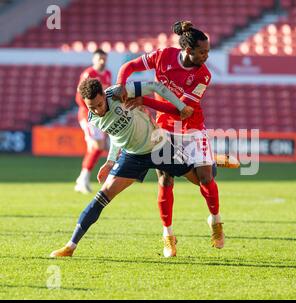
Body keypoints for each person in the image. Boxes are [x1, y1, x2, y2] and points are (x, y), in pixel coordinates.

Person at [50, 78, 196, 258]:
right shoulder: (93, 119)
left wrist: (180, 107)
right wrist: (110, 161)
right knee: (101, 197)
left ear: (104, 95)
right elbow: (117, 136)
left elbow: (155, 86)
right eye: (92, 107)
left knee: (199, 179)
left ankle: (209, 165)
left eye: (99, 104)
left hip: (159, 146)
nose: (98, 110)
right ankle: (70, 247)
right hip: (133, 156)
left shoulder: (118, 93)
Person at [114, 21, 224, 255]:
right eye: (202, 52)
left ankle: (215, 221)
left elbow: (180, 109)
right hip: (164, 129)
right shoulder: (163, 55)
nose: (206, 56)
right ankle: (168, 235)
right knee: (165, 181)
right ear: (188, 50)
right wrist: (121, 85)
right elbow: (130, 66)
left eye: (208, 51)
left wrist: (144, 100)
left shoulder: (203, 76)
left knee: (205, 178)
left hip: (191, 127)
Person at [74, 49, 112, 194]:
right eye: (99, 58)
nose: (102, 61)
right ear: (93, 59)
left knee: (98, 147)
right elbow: (79, 98)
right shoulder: (88, 74)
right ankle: (83, 179)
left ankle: (82, 179)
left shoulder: (107, 74)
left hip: (101, 116)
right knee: (98, 146)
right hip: (89, 116)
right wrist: (92, 113)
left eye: (104, 58)